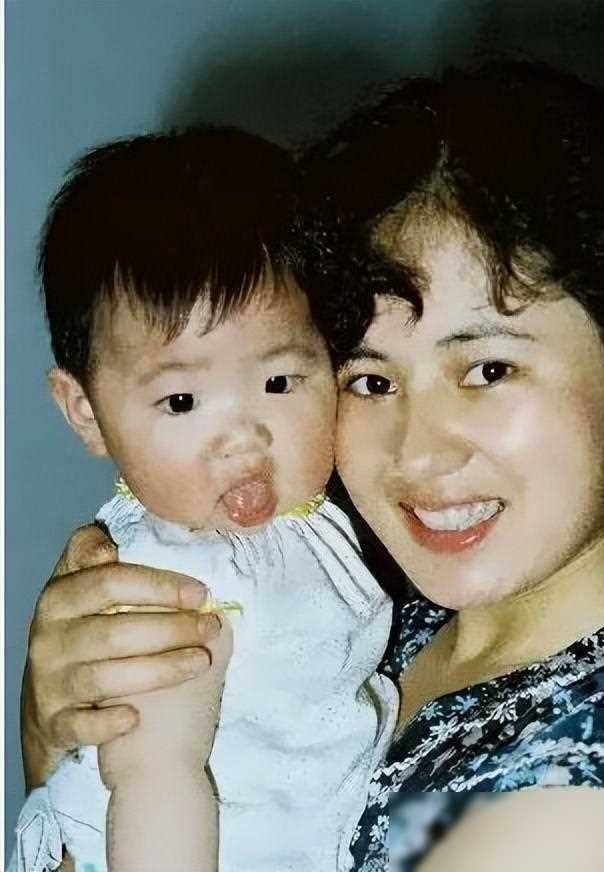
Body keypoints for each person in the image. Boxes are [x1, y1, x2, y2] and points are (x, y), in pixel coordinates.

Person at [15, 62, 604, 871]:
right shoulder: (378, 605)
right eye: (370, 380)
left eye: (488, 369)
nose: (419, 450)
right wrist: (60, 729)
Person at [11, 128, 397, 872]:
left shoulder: (308, 527)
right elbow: (156, 782)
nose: (242, 438)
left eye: (279, 382)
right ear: (86, 412)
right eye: (182, 400)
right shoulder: (174, 583)